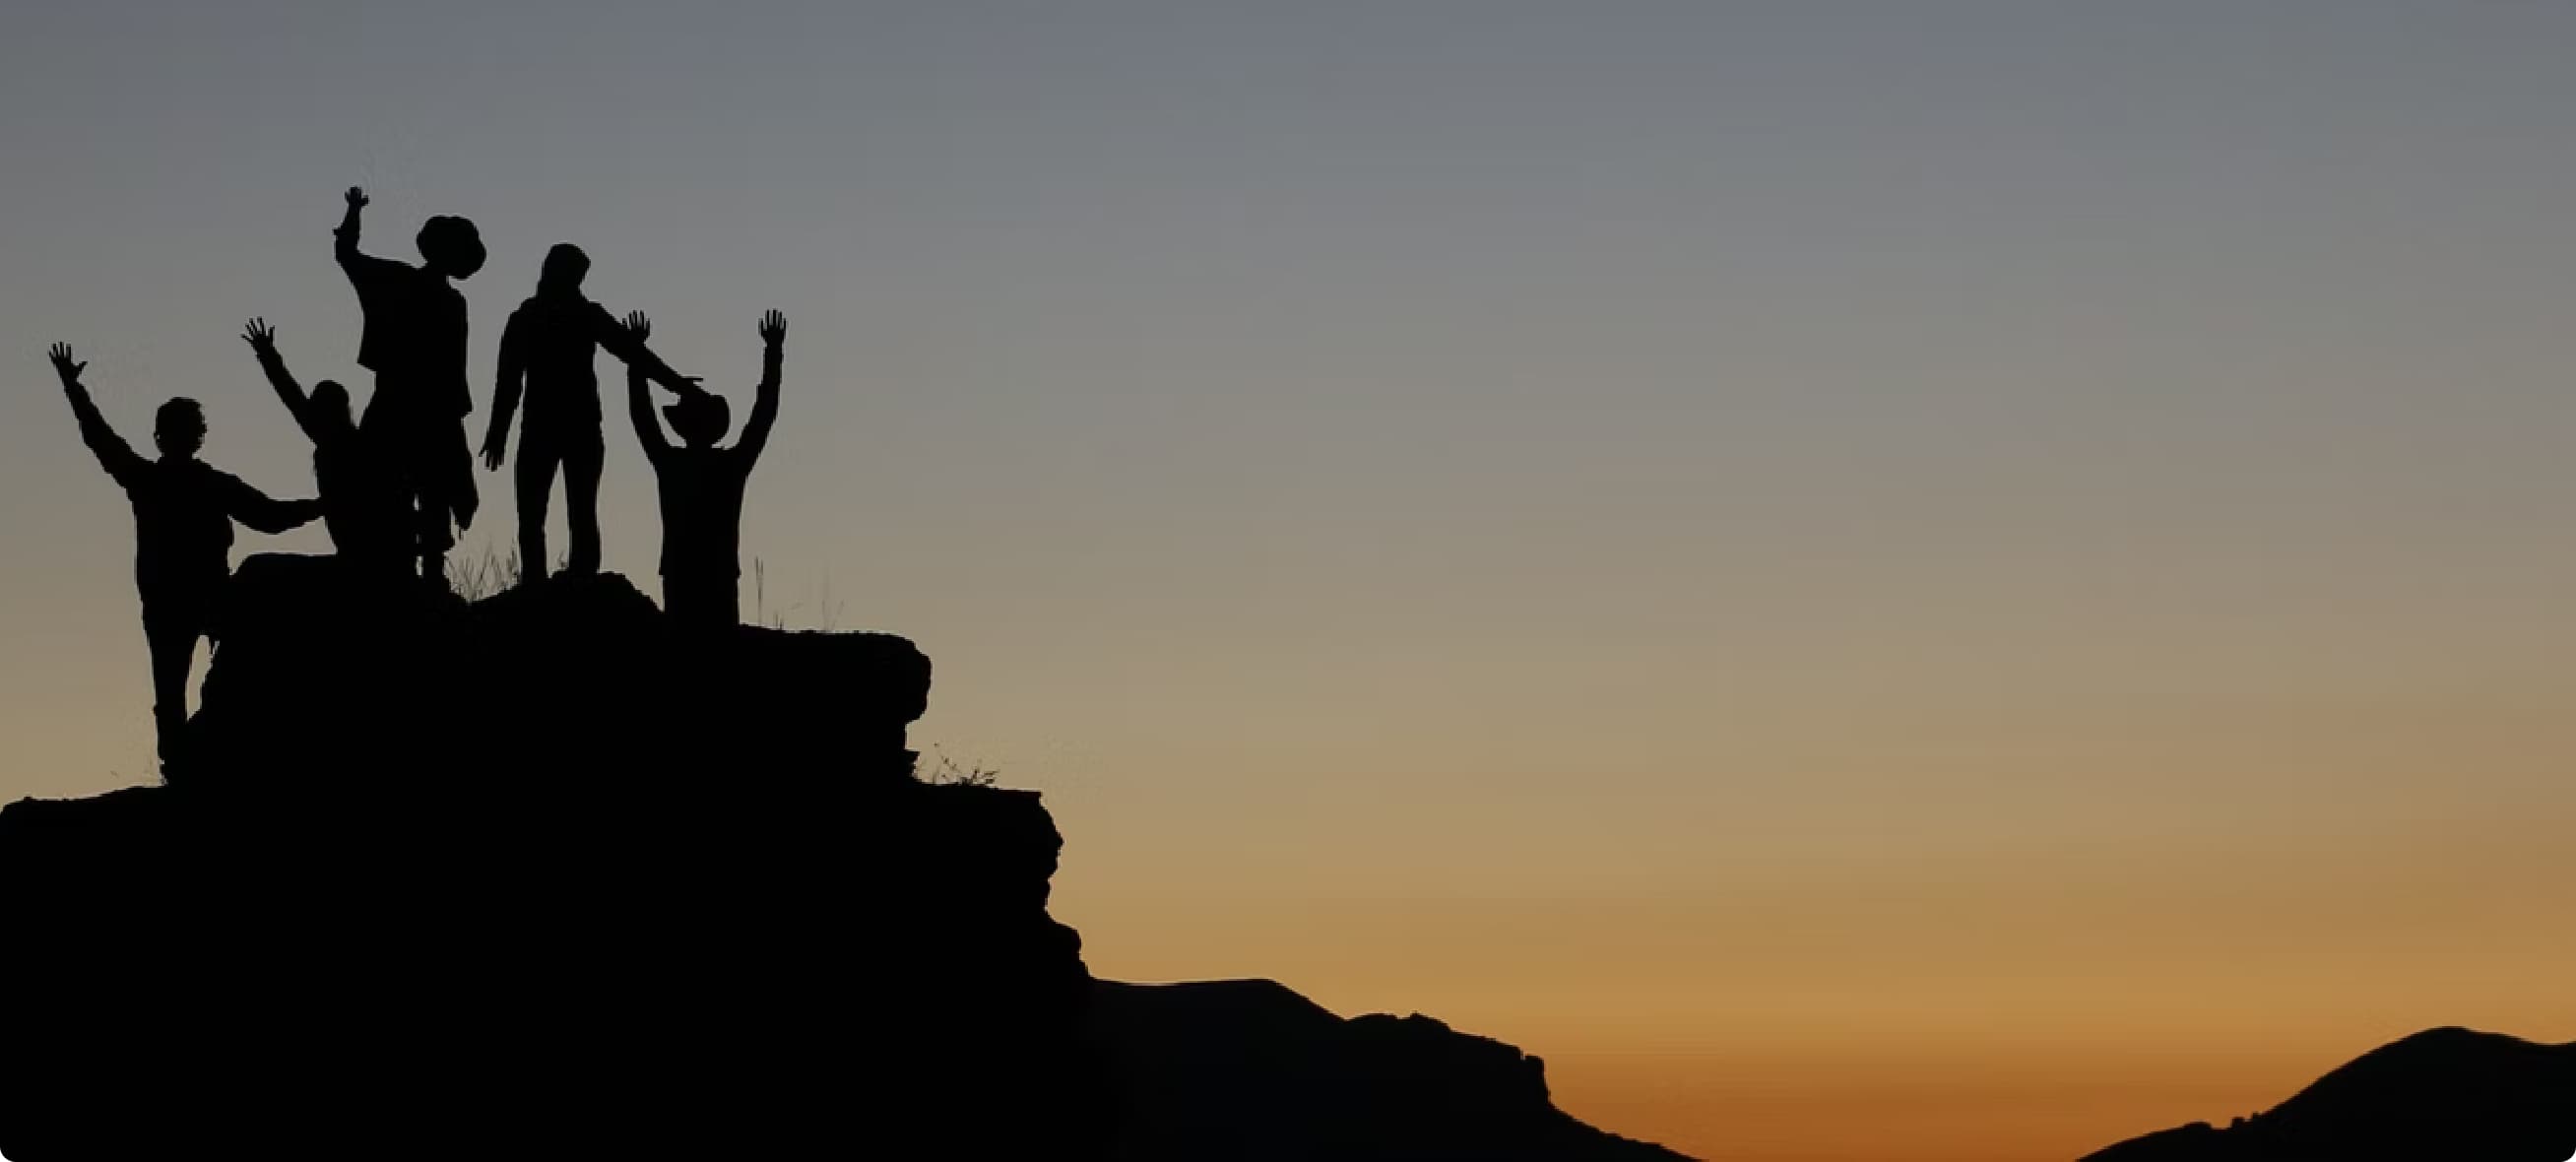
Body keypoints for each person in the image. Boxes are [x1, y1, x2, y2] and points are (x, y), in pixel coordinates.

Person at [48, 342, 323, 776]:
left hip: (184, 602)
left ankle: (190, 757)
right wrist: (322, 505)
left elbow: (269, 515)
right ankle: (186, 762)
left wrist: (72, 388)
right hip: (183, 602)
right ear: (191, 436)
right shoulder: (181, 482)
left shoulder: (159, 479)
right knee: (179, 684)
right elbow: (270, 515)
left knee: (178, 685)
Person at [480, 243, 703, 584]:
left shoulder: (563, 316)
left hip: (570, 427)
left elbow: (632, 352)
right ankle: (542, 581)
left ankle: (573, 577)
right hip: (551, 427)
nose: (577, 283)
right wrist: (497, 431)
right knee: (543, 511)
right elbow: (508, 381)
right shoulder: (537, 317)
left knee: (572, 509)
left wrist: (676, 384)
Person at [333, 184, 483, 590]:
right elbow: (347, 256)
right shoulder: (402, 282)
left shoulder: (449, 301)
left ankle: (423, 579)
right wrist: (353, 212)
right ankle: (401, 576)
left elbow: (454, 368)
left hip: (426, 410)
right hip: (409, 407)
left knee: (428, 500)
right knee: (395, 494)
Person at [627, 310, 784, 627]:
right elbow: (763, 416)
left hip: (682, 571)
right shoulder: (731, 466)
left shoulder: (671, 464)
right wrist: (773, 354)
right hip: (718, 572)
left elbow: (642, 416)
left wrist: (636, 357)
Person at [240, 317, 411, 579]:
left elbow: (292, 396)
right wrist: (267, 354)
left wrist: (267, 354)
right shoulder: (335, 438)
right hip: (360, 548)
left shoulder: (354, 444)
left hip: (371, 548)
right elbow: (291, 394)